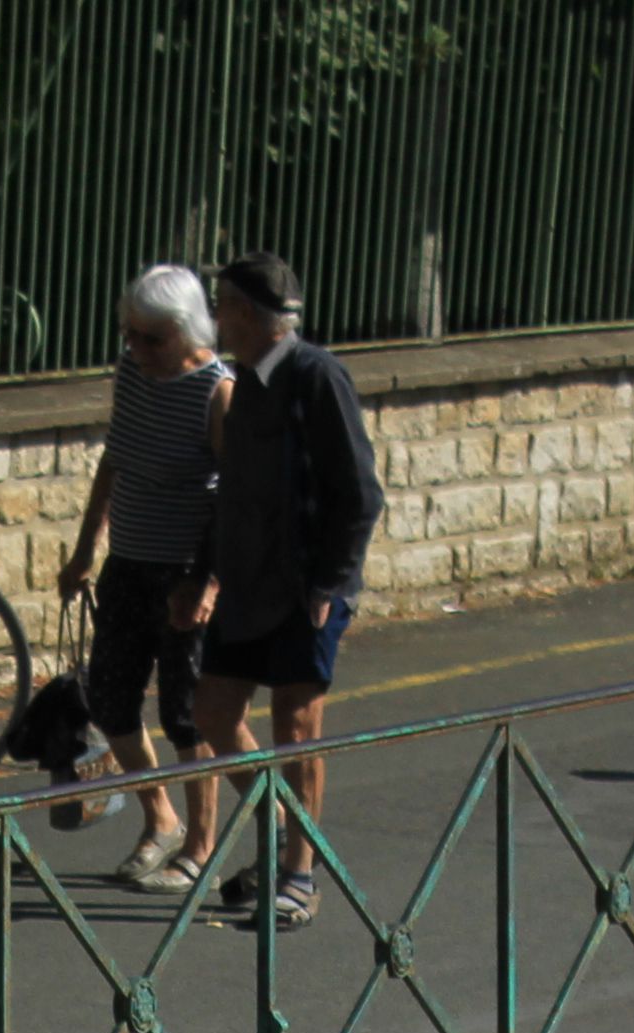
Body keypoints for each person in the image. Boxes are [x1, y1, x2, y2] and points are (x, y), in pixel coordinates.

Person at [187, 251, 384, 930]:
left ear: (246, 312)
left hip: (304, 588)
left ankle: (300, 874)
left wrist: (330, 581)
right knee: (212, 711)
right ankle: (280, 825)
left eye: (223, 305)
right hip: (244, 582)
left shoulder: (315, 376)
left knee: (295, 728)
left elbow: (359, 493)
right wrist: (206, 574)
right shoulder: (242, 382)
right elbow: (233, 495)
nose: (216, 318)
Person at [58, 263, 232, 890]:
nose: (137, 349)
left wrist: (209, 585)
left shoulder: (218, 392)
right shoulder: (133, 375)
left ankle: (202, 846)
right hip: (128, 561)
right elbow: (114, 458)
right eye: (130, 335)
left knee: (187, 713)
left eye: (152, 338)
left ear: (187, 334)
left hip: (186, 572)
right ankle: (160, 818)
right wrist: (85, 553)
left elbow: (233, 499)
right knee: (110, 695)